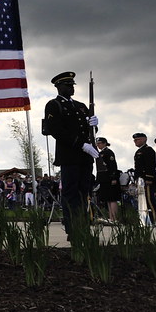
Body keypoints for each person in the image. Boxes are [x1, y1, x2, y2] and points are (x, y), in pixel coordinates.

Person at [41, 71, 99, 237]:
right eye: (67, 86)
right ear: (59, 87)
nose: (71, 88)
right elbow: (56, 130)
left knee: (84, 193)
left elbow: (89, 130)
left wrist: (95, 124)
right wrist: (81, 144)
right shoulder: (54, 105)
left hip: (85, 157)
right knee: (70, 194)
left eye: (72, 85)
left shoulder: (81, 105)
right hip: (70, 156)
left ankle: (83, 227)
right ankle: (73, 230)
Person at [94, 137, 121, 222]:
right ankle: (111, 217)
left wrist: (113, 177)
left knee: (112, 198)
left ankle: (114, 218)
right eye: (97, 143)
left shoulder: (108, 152)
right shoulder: (101, 153)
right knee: (108, 199)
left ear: (105, 143)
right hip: (103, 178)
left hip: (109, 178)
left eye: (100, 143)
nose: (98, 145)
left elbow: (112, 166)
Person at [133, 133, 156, 220]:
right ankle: (145, 219)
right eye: (134, 140)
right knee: (142, 200)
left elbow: (150, 165)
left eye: (138, 139)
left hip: (146, 179)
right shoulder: (138, 151)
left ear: (144, 139)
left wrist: (149, 178)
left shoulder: (148, 150)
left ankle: (154, 219)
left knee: (149, 200)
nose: (135, 141)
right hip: (140, 179)